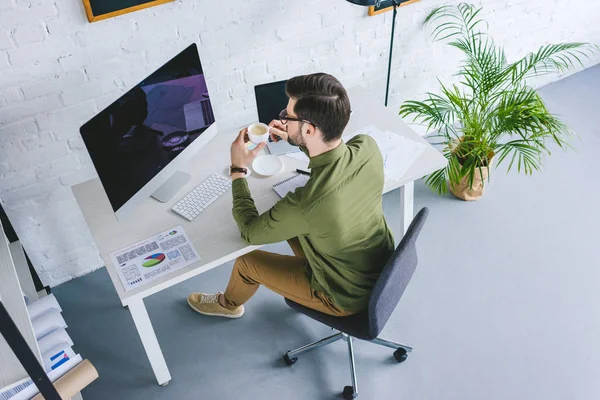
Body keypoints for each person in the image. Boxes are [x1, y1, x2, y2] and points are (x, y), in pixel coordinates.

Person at [187, 73, 394, 318]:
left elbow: (250, 232)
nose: (283, 120)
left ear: (309, 129)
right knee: (291, 224)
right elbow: (330, 160)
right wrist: (296, 139)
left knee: (246, 263)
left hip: (343, 295)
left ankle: (227, 305)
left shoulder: (307, 204)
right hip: (379, 267)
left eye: (288, 117)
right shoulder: (367, 147)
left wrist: (238, 169)